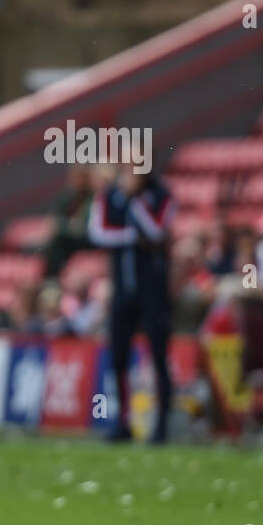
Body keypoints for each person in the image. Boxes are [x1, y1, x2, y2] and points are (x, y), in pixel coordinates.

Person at [88, 165, 177, 442]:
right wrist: (132, 237)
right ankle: (121, 422)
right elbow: (97, 232)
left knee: (159, 356)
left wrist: (135, 203)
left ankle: (161, 425)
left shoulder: (161, 196)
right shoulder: (109, 196)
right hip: (122, 290)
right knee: (118, 358)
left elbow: (156, 231)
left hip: (154, 291)